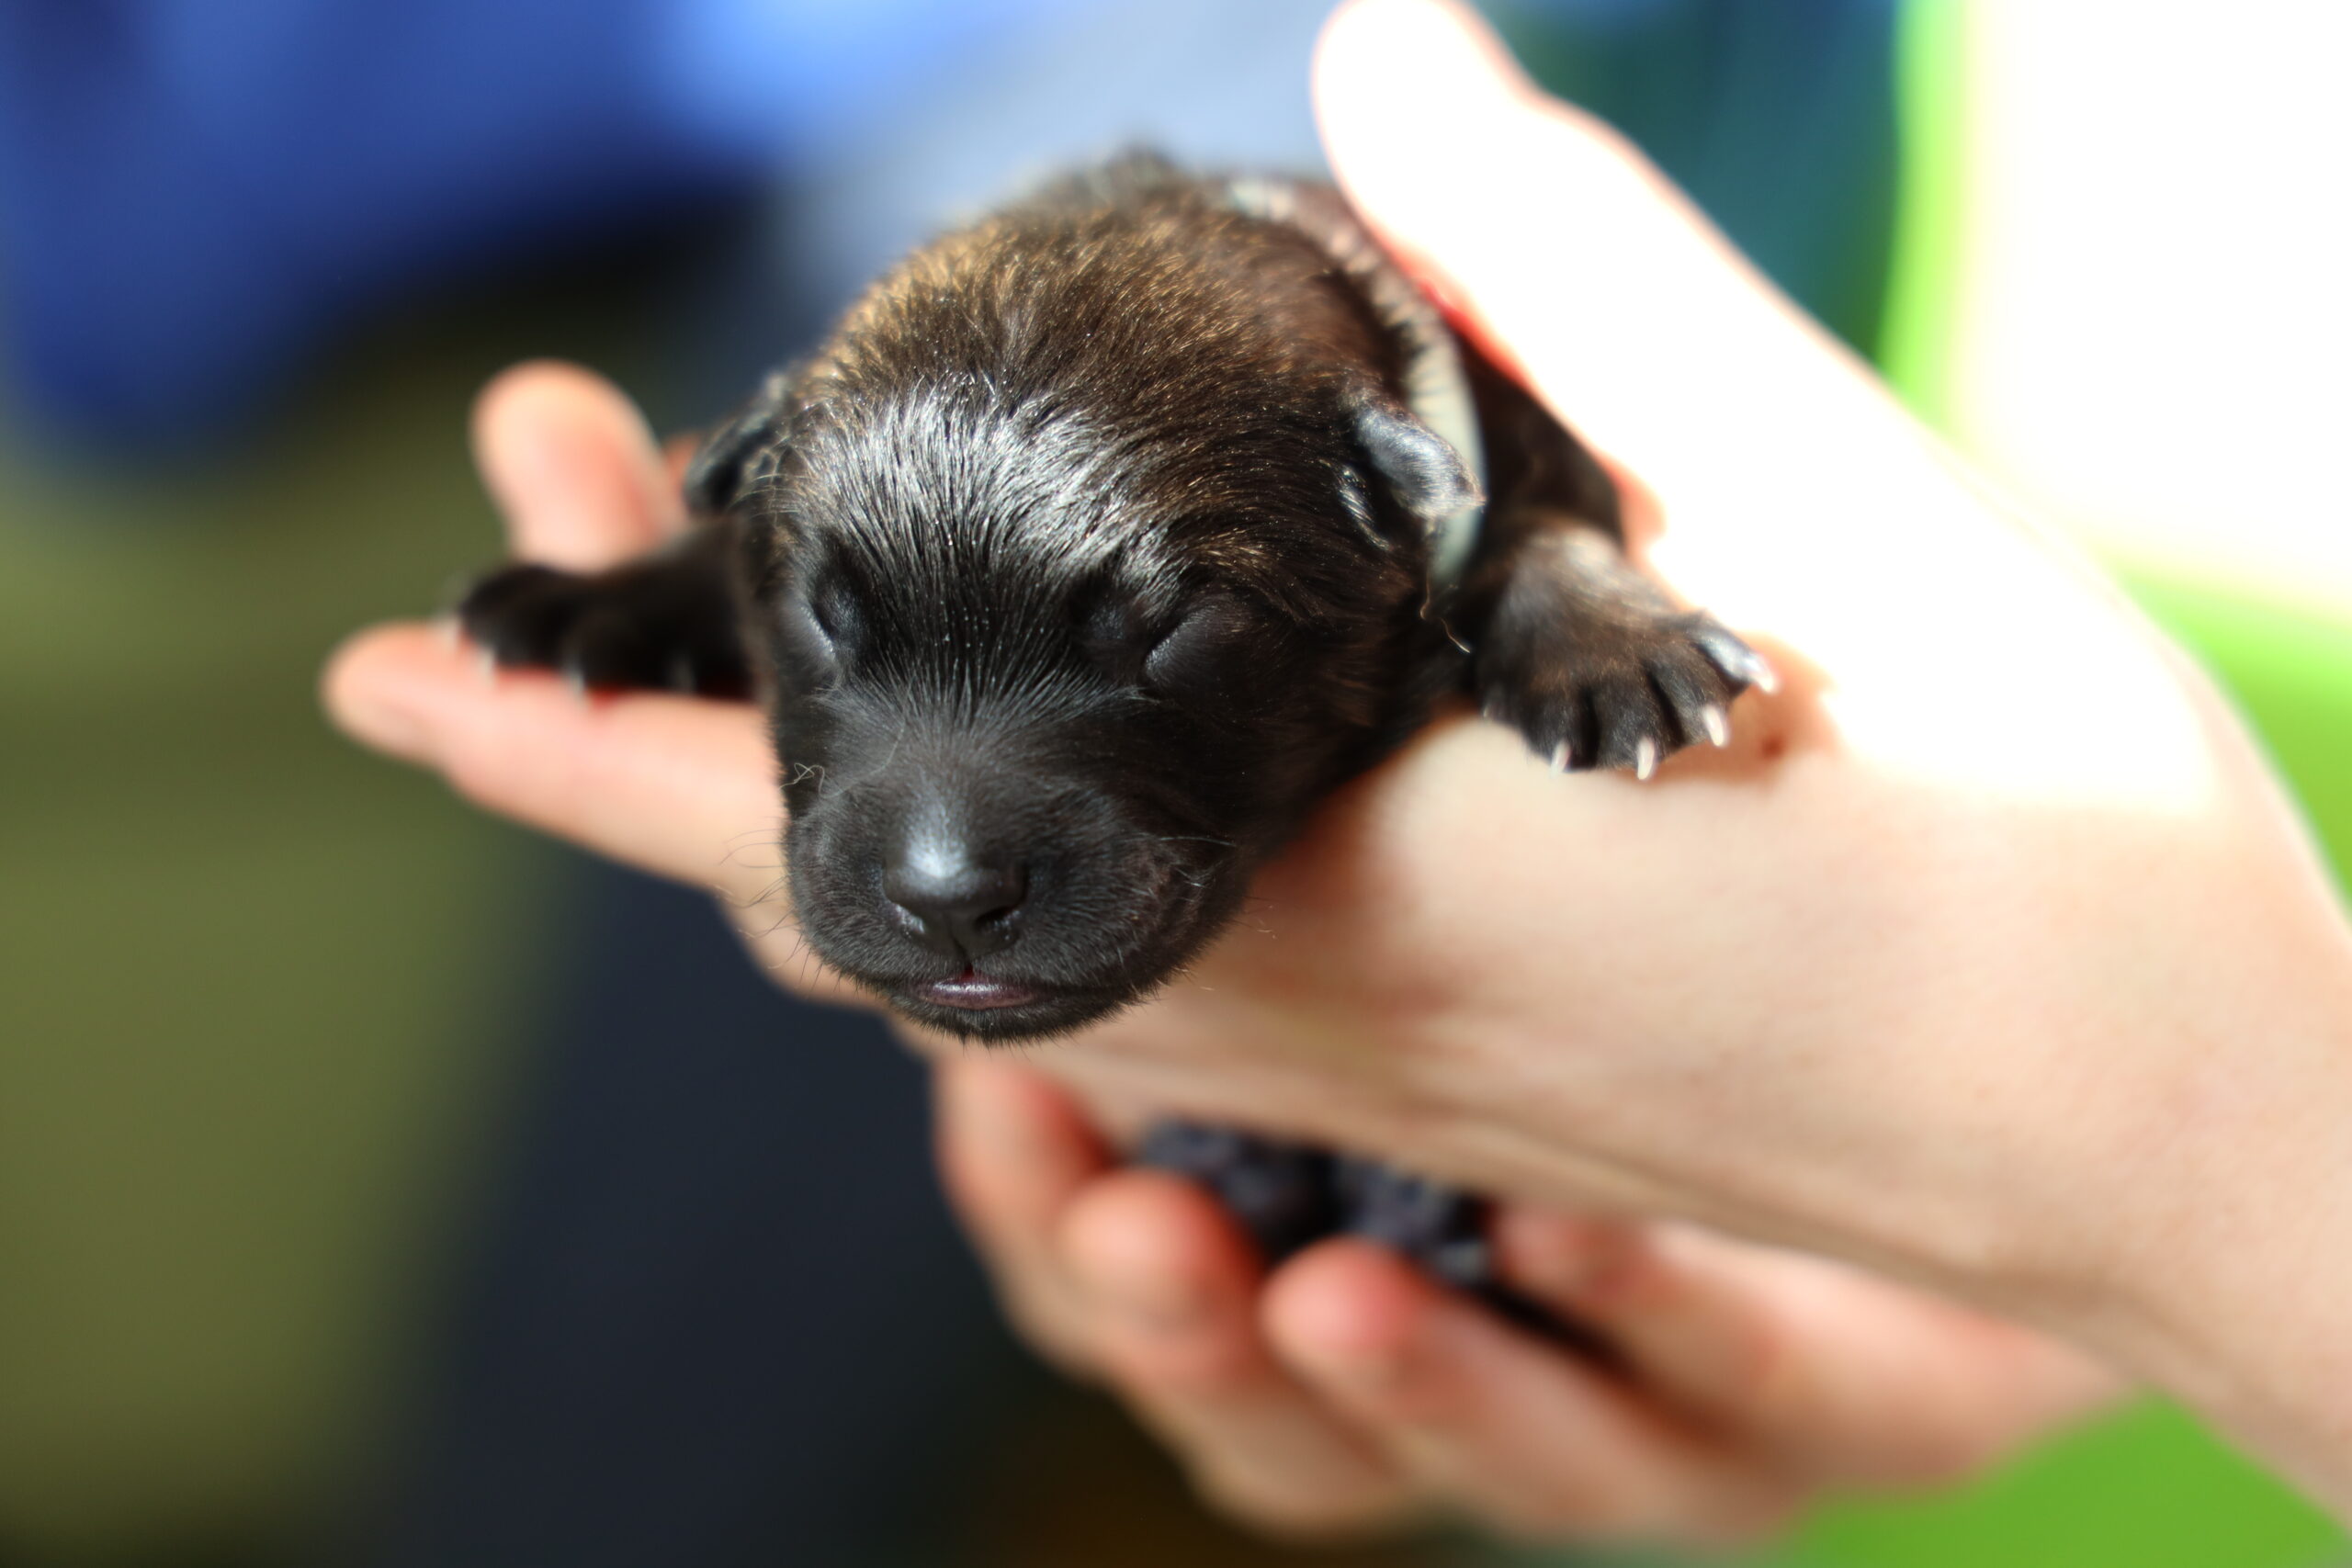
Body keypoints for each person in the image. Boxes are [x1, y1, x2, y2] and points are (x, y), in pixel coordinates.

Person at [323, 0, 2352, 1541]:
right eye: (832, 624)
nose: (933, 855)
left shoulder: (1432, 430)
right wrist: (682, 595)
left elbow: (1543, 516)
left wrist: (2166, 1190)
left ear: (1395, 507)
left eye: (1162, 630)